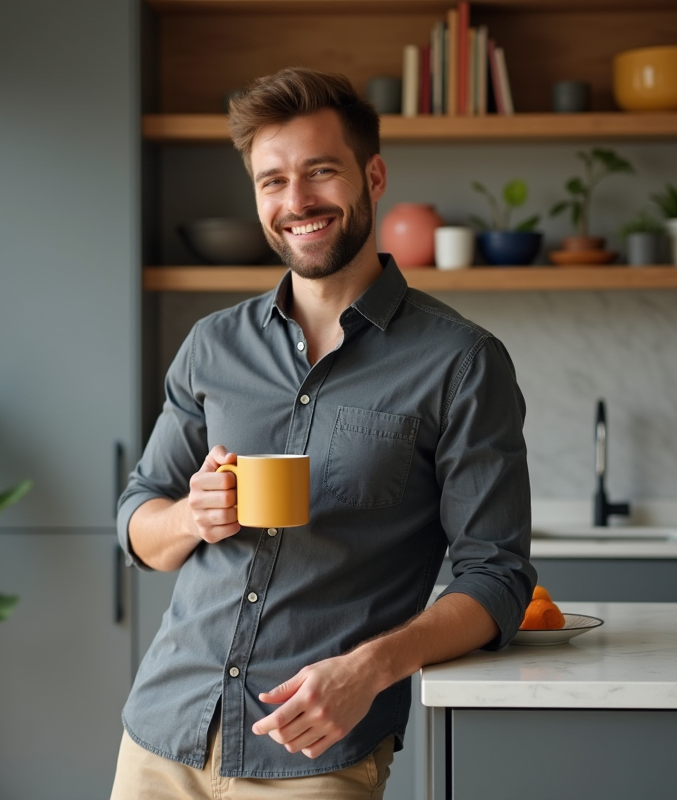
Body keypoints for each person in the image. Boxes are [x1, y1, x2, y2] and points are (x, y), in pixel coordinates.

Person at [110, 67, 535, 799]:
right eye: (271, 181)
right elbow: (137, 519)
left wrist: (369, 670)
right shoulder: (213, 345)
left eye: (320, 172)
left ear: (372, 176)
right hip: (162, 737)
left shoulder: (461, 361)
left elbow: (496, 577)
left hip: (316, 751)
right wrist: (188, 515)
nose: (296, 201)